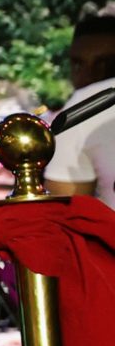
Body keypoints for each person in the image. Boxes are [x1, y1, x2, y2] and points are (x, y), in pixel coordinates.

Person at [47, 14, 115, 209]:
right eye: (78, 64)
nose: (87, 75)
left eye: (104, 64)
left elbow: (63, 215)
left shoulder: (80, 109)